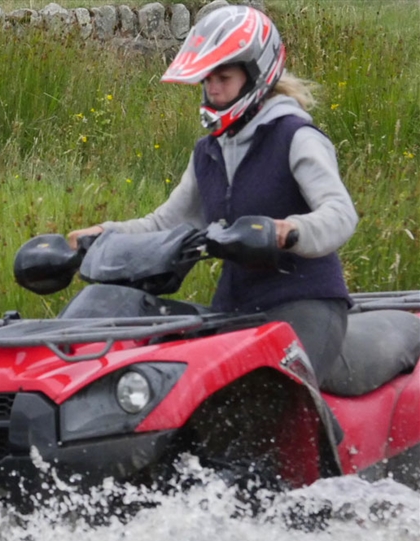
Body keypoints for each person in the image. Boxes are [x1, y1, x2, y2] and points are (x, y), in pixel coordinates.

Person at [68, 5, 357, 385]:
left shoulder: (295, 136)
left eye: (224, 77)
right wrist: (102, 234)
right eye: (207, 78)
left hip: (306, 305)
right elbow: (165, 223)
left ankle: (328, 443)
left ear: (256, 77)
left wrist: (288, 230)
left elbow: (340, 214)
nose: (213, 87)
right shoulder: (209, 151)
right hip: (236, 308)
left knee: (270, 403)